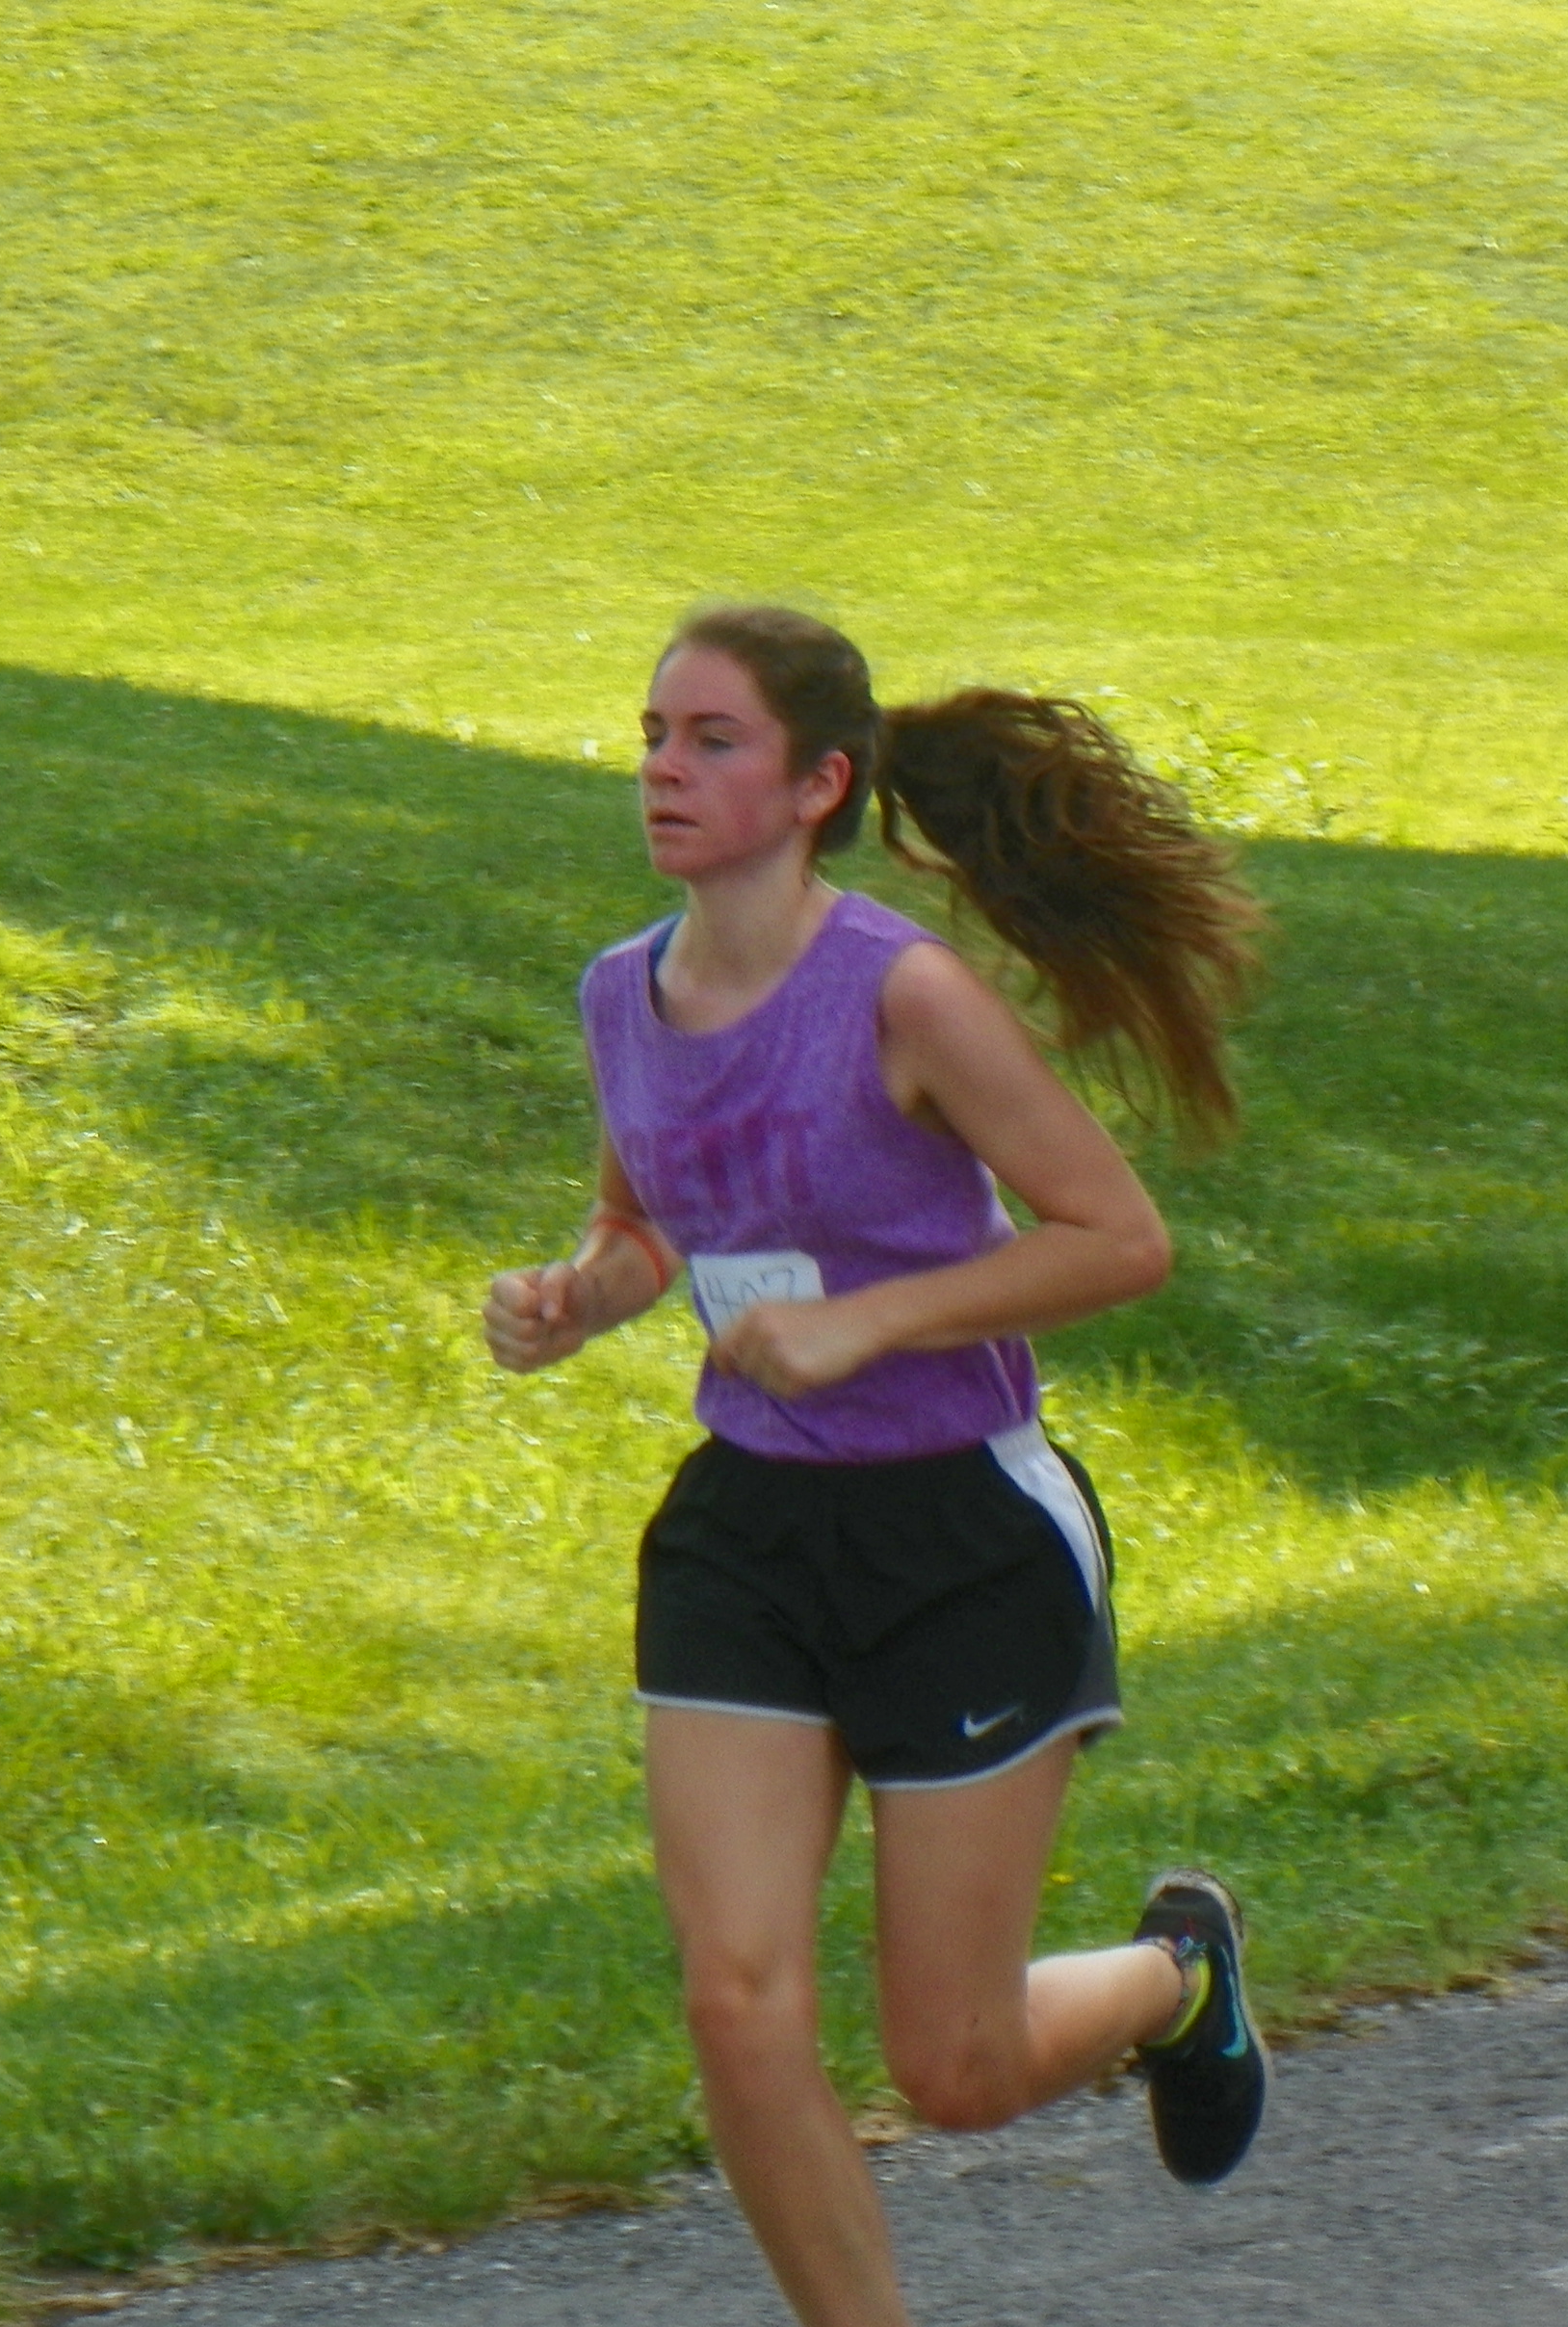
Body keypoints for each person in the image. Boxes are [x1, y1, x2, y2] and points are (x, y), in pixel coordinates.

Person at [481, 606, 1273, 2327]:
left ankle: (1176, 1976)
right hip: (749, 1532)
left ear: (817, 785)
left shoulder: (904, 995)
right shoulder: (624, 993)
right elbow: (646, 1222)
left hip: (959, 1534)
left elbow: (1117, 1238)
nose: (664, 771)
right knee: (737, 2003)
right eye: (653, 735)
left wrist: (873, 1322)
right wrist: (579, 1295)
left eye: (713, 742)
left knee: (956, 2069)